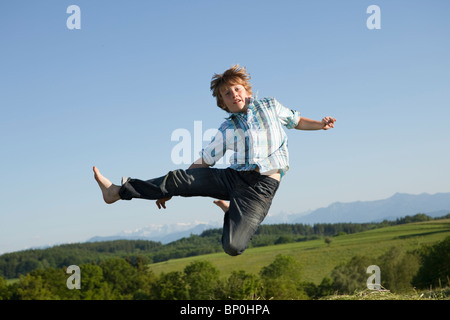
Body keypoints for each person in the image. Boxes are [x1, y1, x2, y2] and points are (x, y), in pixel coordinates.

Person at [93, 65, 336, 256]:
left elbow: (297, 121)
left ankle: (232, 211)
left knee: (233, 247)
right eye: (227, 94)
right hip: (232, 177)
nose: (234, 95)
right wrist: (170, 190)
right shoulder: (226, 128)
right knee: (178, 178)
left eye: (237, 89)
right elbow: (203, 163)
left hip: (260, 188)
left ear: (247, 91)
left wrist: (320, 125)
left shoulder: (270, 106)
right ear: (223, 103)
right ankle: (116, 191)